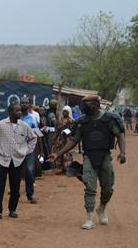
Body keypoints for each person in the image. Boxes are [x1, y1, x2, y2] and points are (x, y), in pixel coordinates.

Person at [49, 95, 126, 229]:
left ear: (96, 104)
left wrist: (123, 152)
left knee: (108, 188)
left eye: (87, 104)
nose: (84, 107)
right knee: (90, 187)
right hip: (89, 156)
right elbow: (74, 140)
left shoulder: (109, 119)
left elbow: (120, 135)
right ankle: (89, 218)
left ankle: (101, 208)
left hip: (105, 156)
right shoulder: (82, 122)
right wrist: (58, 154)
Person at [0, 102, 33, 219]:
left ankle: (12, 210)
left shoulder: (24, 126)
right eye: (16, 110)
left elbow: (33, 138)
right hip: (2, 160)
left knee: (15, 187)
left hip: (17, 161)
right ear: (9, 112)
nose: (19, 112)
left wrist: (25, 151)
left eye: (20, 110)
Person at [19, 97, 41, 203]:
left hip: (29, 148)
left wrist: (41, 150)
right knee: (16, 171)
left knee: (29, 170)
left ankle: (30, 194)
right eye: (22, 103)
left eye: (26, 103)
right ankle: (15, 192)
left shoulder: (32, 118)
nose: (24, 104)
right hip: (16, 148)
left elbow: (37, 133)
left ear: (29, 105)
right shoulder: (15, 117)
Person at [53, 105, 75, 172]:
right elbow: (57, 129)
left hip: (67, 138)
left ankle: (67, 166)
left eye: (65, 112)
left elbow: (72, 130)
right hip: (60, 138)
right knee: (59, 151)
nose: (63, 113)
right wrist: (55, 137)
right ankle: (61, 166)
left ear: (68, 112)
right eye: (63, 111)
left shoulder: (71, 120)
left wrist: (67, 132)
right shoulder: (61, 120)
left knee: (67, 151)